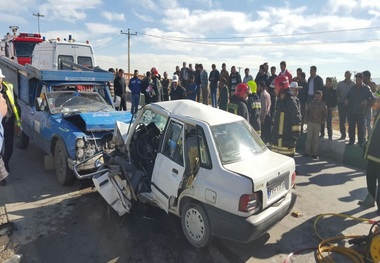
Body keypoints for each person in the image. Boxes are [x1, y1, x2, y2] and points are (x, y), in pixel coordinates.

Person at [271, 76, 301, 157]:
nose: (274, 90)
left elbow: (297, 124)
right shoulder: (280, 101)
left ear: (280, 88)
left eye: (275, 88)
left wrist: (291, 141)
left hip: (286, 148)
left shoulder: (291, 102)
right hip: (276, 146)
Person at [0, 69, 20, 186]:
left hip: (8, 120)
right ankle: (2, 175)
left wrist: (18, 122)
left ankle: (5, 164)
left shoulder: (8, 88)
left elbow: (15, 105)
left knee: (8, 146)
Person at [345, 72, 376, 146]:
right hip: (352, 111)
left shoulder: (366, 88)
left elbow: (373, 98)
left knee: (361, 128)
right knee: (351, 127)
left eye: (359, 79)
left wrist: (367, 102)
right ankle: (351, 141)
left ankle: (360, 142)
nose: (357, 81)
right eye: (356, 79)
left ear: (362, 79)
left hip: (361, 112)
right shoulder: (352, 88)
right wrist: (346, 100)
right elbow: (347, 96)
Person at [358, 109, 380, 213]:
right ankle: (370, 199)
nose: (377, 102)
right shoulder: (378, 114)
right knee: (370, 177)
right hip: (373, 154)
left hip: (377, 155)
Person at [303, 90, 327, 160]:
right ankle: (307, 152)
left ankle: (314, 153)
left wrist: (322, 122)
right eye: (316, 96)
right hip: (310, 122)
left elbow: (325, 115)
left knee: (315, 139)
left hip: (317, 123)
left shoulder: (323, 105)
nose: (317, 97)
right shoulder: (311, 103)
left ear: (321, 97)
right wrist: (306, 119)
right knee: (309, 138)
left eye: (319, 96)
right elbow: (307, 111)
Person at [336, 71, 355, 140]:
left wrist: (349, 101)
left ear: (351, 75)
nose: (348, 76)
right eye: (347, 74)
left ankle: (350, 136)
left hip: (350, 105)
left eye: (349, 75)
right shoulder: (340, 84)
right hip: (341, 105)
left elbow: (354, 95)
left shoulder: (353, 84)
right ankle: (343, 135)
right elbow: (337, 93)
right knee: (342, 121)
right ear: (344, 75)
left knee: (351, 121)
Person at [362, 70, 378, 139]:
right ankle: (363, 138)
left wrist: (371, 101)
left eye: (363, 77)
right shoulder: (362, 85)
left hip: (371, 107)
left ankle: (370, 138)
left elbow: (377, 95)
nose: (362, 79)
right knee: (362, 124)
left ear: (367, 77)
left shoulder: (372, 85)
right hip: (362, 107)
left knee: (368, 124)